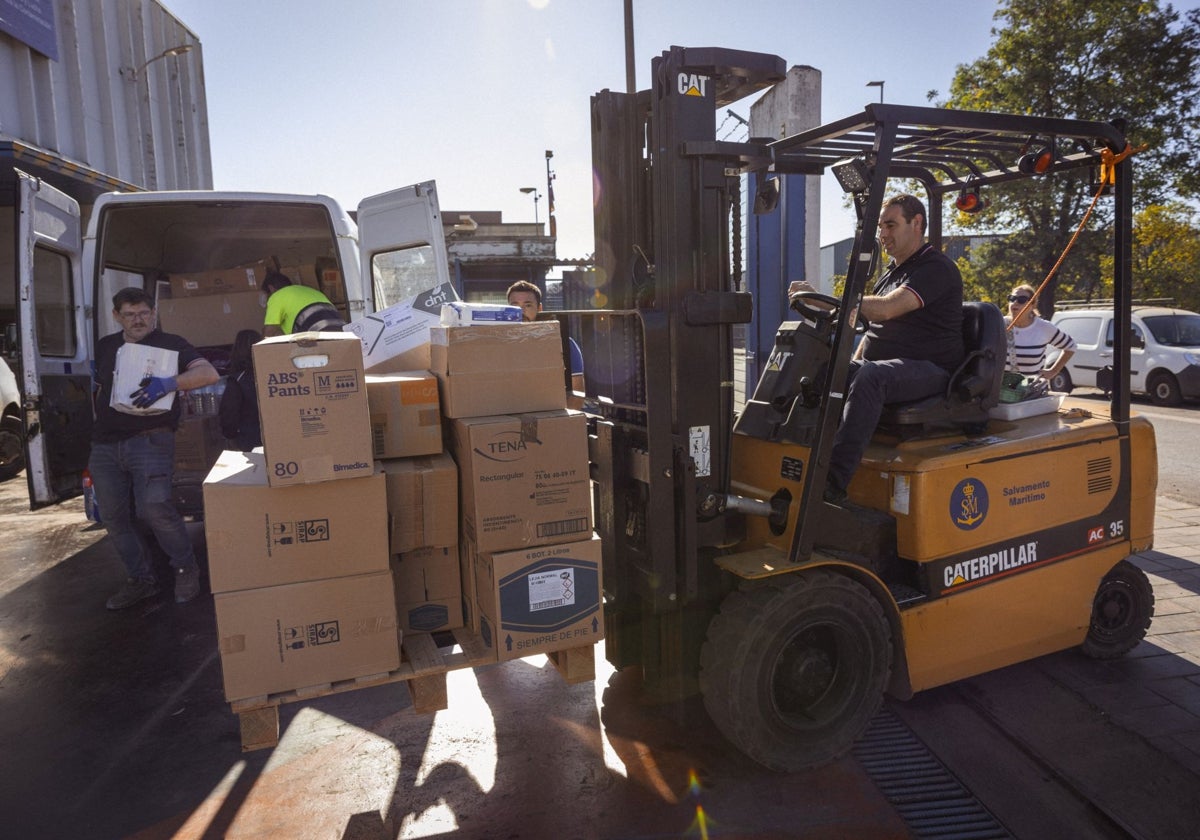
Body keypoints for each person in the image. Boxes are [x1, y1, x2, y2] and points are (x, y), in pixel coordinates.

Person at [790, 194, 964, 503]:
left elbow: (886, 309)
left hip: (933, 370)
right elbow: (872, 332)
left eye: (891, 225)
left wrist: (824, 299)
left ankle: (832, 483)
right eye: (881, 226)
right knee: (825, 369)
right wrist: (845, 364)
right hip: (893, 368)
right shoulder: (892, 274)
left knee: (871, 376)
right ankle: (798, 453)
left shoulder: (936, 268)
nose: (883, 234)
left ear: (917, 223)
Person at [90, 287, 219, 609]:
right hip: (105, 445)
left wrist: (170, 382)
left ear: (154, 313)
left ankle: (186, 569)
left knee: (155, 508)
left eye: (144, 313)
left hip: (150, 439)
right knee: (114, 518)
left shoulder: (172, 345)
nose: (138, 320)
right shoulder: (107, 346)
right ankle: (141, 580)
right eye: (130, 314)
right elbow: (99, 388)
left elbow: (208, 373)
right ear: (116, 316)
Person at [506, 280, 585, 395]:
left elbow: (577, 394)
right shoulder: (497, 344)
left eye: (527, 305)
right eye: (515, 306)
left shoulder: (563, 343)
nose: (521, 311)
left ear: (539, 308)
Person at [1004, 283, 1076, 384]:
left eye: (1021, 300)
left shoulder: (1043, 327)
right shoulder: (998, 325)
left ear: (1032, 305)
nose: (1015, 302)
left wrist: (1054, 371)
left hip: (1031, 392)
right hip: (1000, 392)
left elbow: (1071, 346)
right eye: (1012, 298)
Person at [261, 270, 345, 336]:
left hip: (315, 334)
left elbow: (269, 333)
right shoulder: (311, 291)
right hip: (341, 331)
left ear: (271, 288)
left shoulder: (276, 296)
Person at [219, 329, 263, 451]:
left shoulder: (238, 379)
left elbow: (229, 412)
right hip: (276, 435)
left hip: (249, 439)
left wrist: (230, 435)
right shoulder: (271, 375)